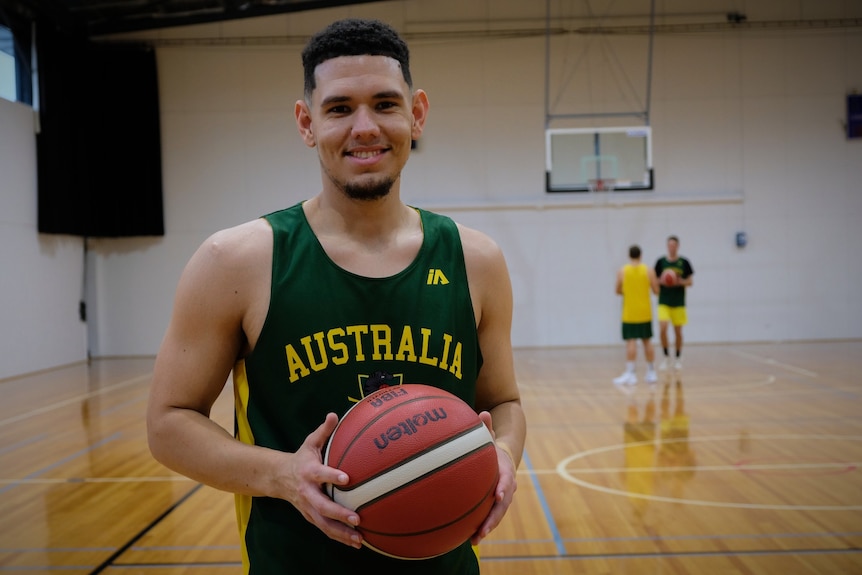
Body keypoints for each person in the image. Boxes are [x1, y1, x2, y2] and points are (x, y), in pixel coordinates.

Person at [146, 18, 526, 575]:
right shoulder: (237, 261)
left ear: (416, 113)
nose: (365, 127)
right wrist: (283, 475)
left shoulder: (477, 260)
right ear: (307, 122)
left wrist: (503, 455)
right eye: (340, 108)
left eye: (385, 105)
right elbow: (168, 424)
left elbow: (505, 404)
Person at [613, 245, 659, 388]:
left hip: (629, 312)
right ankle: (651, 372)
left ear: (629, 255)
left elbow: (617, 290)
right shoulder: (649, 270)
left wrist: (628, 292)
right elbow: (656, 290)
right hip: (645, 311)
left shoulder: (622, 271)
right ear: (641, 255)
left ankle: (631, 374)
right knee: (647, 341)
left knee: (631, 342)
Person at [654, 235, 694, 371]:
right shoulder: (660, 262)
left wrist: (679, 282)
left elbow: (690, 282)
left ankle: (677, 357)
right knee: (663, 328)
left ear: (677, 246)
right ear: (667, 246)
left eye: (674, 245)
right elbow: (654, 280)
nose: (671, 247)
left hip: (678, 302)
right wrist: (663, 281)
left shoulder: (684, 262)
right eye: (669, 245)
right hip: (664, 301)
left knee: (678, 332)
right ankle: (666, 357)